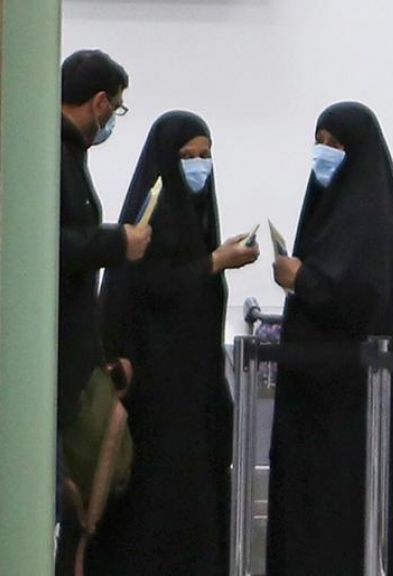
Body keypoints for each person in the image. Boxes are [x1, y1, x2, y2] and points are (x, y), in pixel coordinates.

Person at [267, 102, 393, 575]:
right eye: (319, 143)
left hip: (361, 410)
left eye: (336, 145)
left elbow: (359, 296)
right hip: (332, 404)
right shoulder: (335, 211)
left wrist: (301, 279)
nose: (324, 154)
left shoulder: (372, 215)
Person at [93, 111, 259, 575]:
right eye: (187, 157)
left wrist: (214, 258)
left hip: (193, 394)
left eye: (206, 156)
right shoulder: (150, 219)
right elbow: (152, 288)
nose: (199, 166)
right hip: (151, 399)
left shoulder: (196, 218)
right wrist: (213, 262)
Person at [56, 49, 149, 573]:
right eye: (115, 108)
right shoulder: (53, 154)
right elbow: (48, 244)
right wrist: (118, 244)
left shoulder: (66, 153)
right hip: (55, 364)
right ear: (98, 103)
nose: (112, 118)